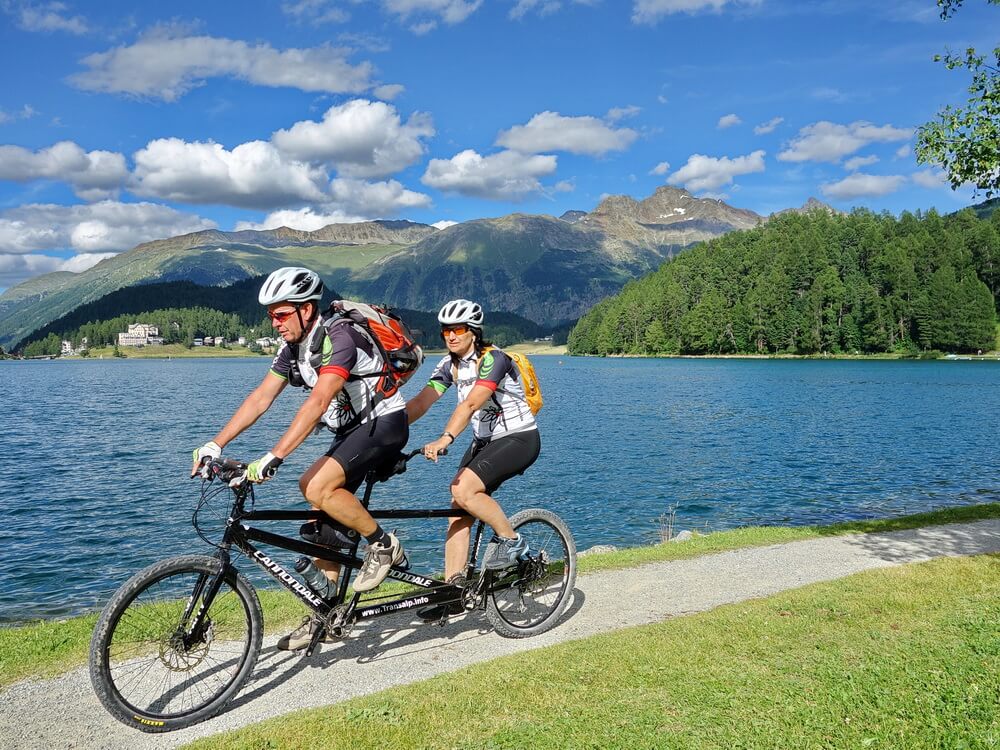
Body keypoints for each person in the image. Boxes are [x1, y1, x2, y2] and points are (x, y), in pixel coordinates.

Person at [191, 267, 409, 649]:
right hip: (350, 431)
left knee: (314, 485)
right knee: (321, 529)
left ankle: (383, 545)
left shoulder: (340, 337)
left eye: (280, 314)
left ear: (306, 309)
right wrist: (215, 444)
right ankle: (325, 614)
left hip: (384, 424)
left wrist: (274, 455)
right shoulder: (292, 349)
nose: (274, 323)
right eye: (270, 315)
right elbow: (261, 398)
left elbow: (319, 401)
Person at [406, 299, 540, 620]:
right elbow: (423, 401)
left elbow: (470, 404)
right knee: (458, 512)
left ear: (474, 332)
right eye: (446, 331)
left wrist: (446, 438)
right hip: (485, 441)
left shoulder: (494, 359)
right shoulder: (449, 365)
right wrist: (386, 429)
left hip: (519, 438)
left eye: (458, 329)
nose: (451, 336)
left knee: (464, 490)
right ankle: (454, 593)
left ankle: (511, 542)